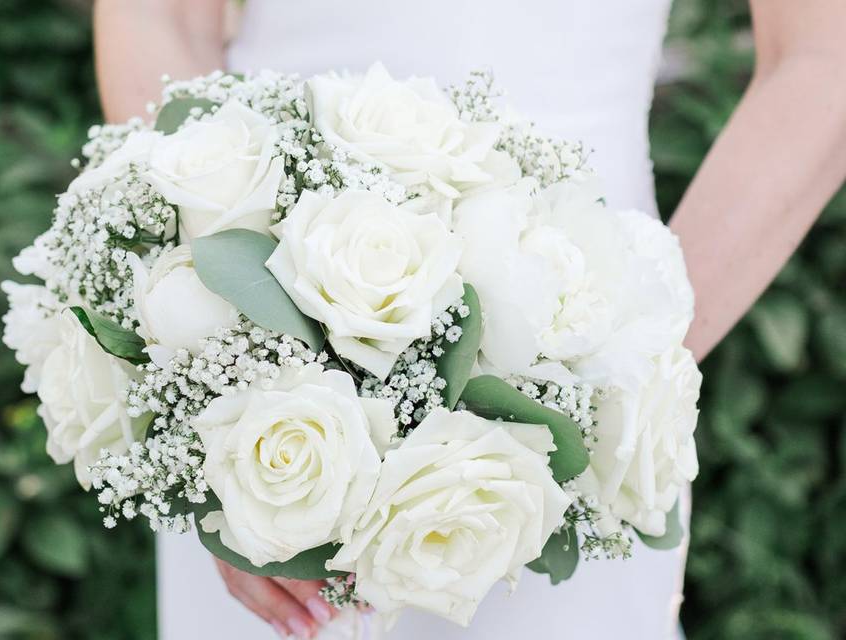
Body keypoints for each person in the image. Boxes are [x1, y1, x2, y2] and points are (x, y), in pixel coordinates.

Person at [93, 1, 846, 638]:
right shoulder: (235, 397)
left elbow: (821, 58)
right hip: (255, 368)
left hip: (576, 334)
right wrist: (213, 376)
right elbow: (161, 18)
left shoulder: (599, 377)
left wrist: (627, 369)